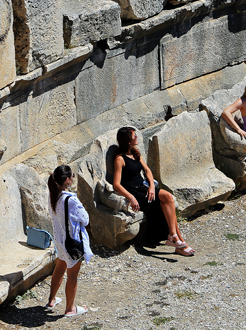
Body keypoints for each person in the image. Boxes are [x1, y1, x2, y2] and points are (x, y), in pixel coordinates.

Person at [112, 126, 195, 256]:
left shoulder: (134, 152)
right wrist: (131, 198)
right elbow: (116, 184)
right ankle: (178, 240)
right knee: (166, 201)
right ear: (128, 140)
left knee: (167, 198)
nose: (137, 137)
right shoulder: (120, 159)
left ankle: (175, 238)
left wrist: (151, 185)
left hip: (145, 188)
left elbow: (147, 170)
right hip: (135, 193)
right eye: (134, 136)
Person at [45, 165, 93, 316]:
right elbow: (85, 219)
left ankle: (51, 300)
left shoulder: (53, 195)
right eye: (72, 175)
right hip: (72, 243)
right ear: (67, 179)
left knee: (60, 266)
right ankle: (70, 309)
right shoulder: (71, 200)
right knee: (72, 274)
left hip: (59, 240)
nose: (73, 176)